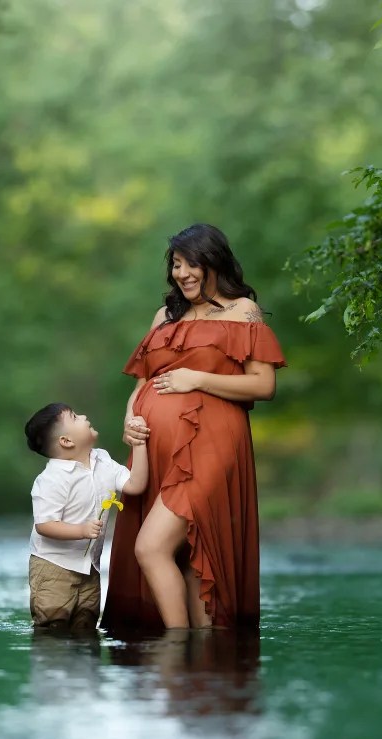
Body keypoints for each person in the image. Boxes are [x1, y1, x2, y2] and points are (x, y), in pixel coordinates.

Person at [101, 223, 286, 632]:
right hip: (157, 452)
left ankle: (175, 646)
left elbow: (263, 385)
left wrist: (196, 379)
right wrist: (130, 421)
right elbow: (141, 385)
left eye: (190, 264)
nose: (181, 273)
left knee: (151, 548)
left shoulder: (242, 311)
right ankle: (202, 665)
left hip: (210, 446)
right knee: (188, 558)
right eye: (176, 265)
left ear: (214, 262)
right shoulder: (165, 316)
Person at [24, 403, 149, 630]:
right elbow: (45, 524)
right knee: (53, 623)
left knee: (86, 623)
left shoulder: (103, 461)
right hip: (53, 566)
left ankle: (84, 663)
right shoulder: (51, 479)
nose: (83, 415)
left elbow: (135, 484)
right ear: (66, 441)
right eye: (74, 416)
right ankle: (52, 662)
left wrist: (139, 443)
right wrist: (81, 531)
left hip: (89, 566)